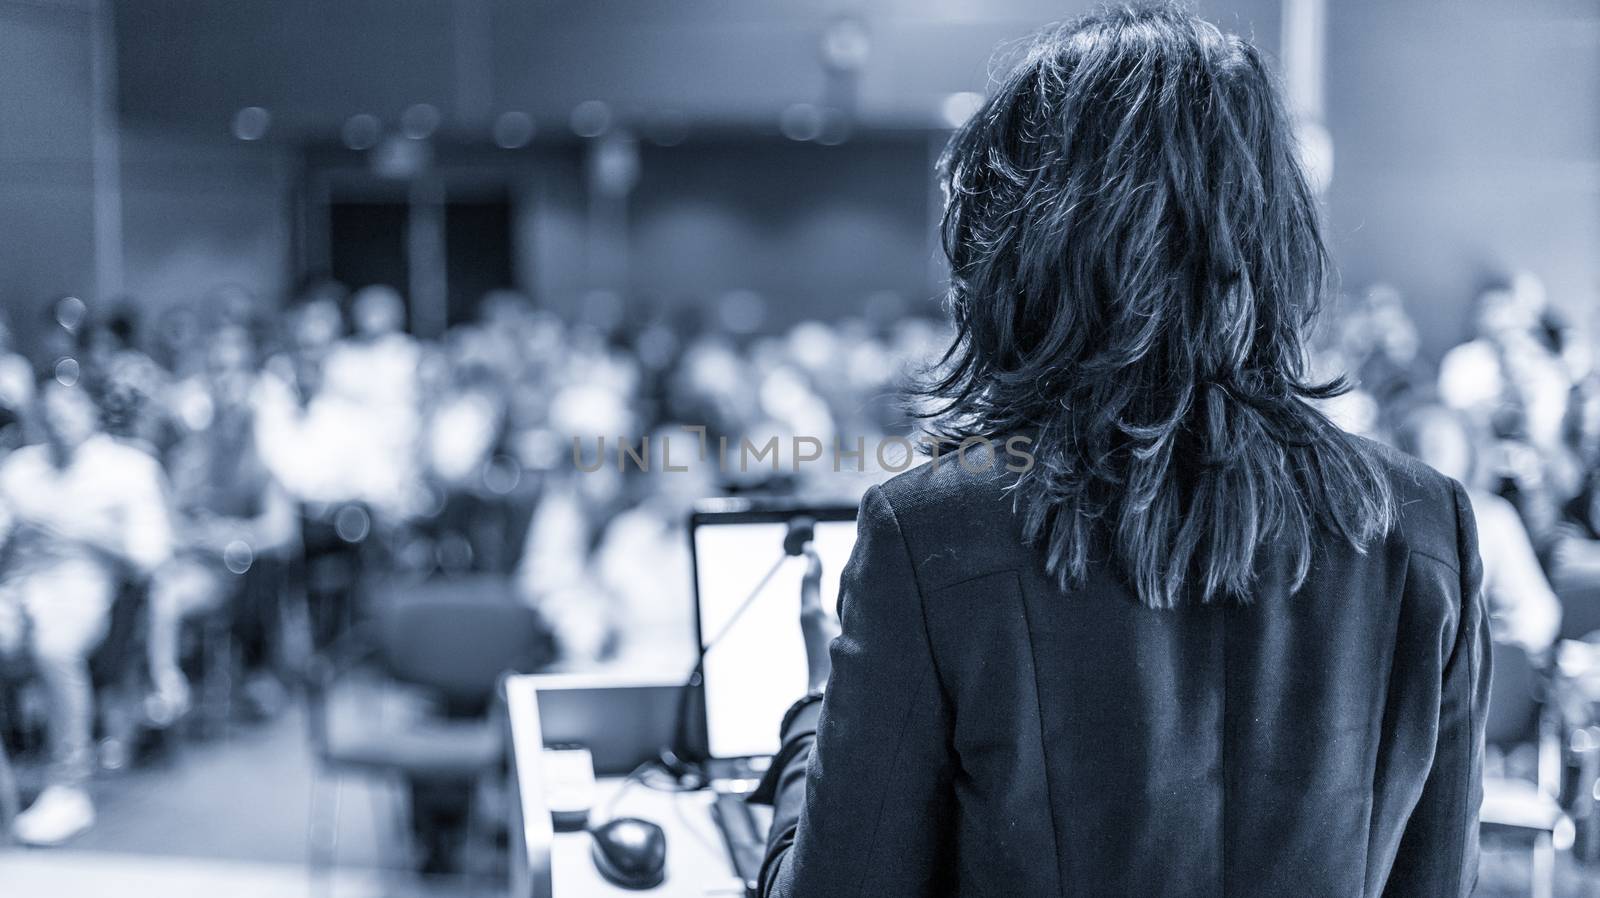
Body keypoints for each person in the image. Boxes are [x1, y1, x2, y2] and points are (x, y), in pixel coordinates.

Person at [750, 8, 1488, 897]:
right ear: (1273, 228)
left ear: (1015, 243)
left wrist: (810, 725)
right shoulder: (1426, 526)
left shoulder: (934, 534)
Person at [0, 372, 173, 846]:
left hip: (90, 589)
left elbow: (151, 555)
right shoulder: (19, 468)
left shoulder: (131, 468)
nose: (58, 422)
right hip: (19, 584)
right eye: (49, 413)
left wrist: (81, 531)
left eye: (69, 410)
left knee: (53, 650)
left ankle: (68, 787)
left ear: (92, 412)